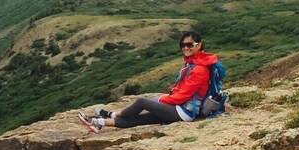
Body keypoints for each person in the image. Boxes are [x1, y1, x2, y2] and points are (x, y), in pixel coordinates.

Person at [78, 32, 218, 133]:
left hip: (185, 111)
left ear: (198, 45)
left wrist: (161, 99)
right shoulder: (192, 63)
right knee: (141, 119)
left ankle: (114, 115)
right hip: (181, 108)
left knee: (142, 102)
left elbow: (181, 96)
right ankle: (98, 122)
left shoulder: (199, 69)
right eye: (183, 45)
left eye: (189, 45)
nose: (185, 48)